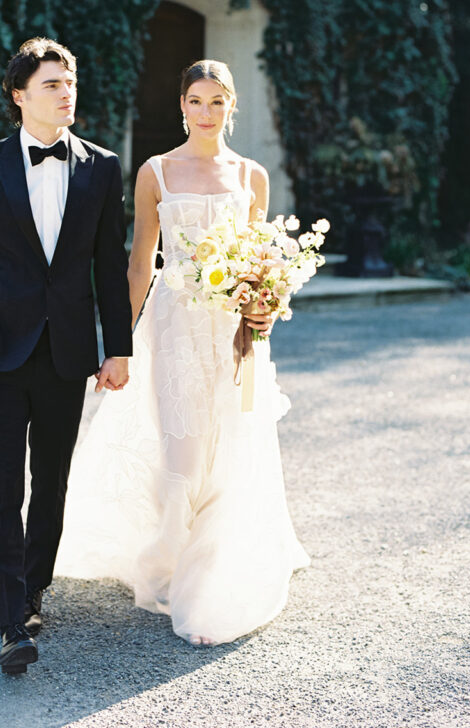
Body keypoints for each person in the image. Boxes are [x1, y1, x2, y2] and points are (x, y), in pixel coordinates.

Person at [56, 59, 309, 646]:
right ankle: (168, 558)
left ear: (231, 107)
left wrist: (263, 305)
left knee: (229, 447)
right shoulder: (156, 173)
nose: (206, 112)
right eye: (196, 100)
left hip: (231, 333)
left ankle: (215, 567)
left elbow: (258, 260)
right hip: (171, 330)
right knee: (183, 450)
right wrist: (118, 342)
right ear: (182, 106)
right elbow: (141, 260)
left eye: (217, 102)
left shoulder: (252, 176)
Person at [0, 37, 132, 675]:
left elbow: (109, 266)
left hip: (66, 355)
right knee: (2, 486)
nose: (66, 92)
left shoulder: (103, 168)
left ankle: (33, 586)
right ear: (19, 96)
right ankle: (9, 623)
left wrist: (118, 350)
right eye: (52, 84)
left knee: (50, 482)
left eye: (70, 81)